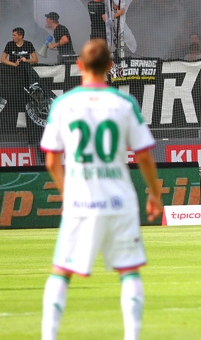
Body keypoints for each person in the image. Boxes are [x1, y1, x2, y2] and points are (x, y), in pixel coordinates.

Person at [39, 39, 163, 340]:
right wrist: (155, 194)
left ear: (79, 65)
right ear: (110, 67)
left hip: (80, 202)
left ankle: (49, 336)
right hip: (120, 200)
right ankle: (132, 336)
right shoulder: (124, 104)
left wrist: (68, 194)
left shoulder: (63, 105)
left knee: (61, 271)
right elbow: (143, 154)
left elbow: (52, 160)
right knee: (129, 270)